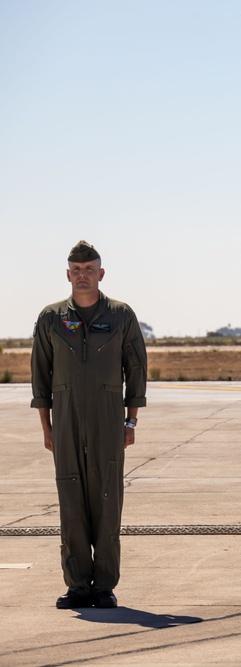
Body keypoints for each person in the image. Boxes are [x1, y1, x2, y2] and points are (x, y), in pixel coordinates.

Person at [30, 240, 147, 610]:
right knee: (70, 498)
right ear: (68, 274)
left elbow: (137, 370)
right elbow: (40, 377)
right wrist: (46, 427)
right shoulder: (50, 318)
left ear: (101, 273)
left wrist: (131, 421)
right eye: (77, 270)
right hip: (65, 418)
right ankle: (78, 584)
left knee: (108, 498)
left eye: (89, 269)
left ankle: (105, 586)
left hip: (108, 417)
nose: (83, 275)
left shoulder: (121, 314)